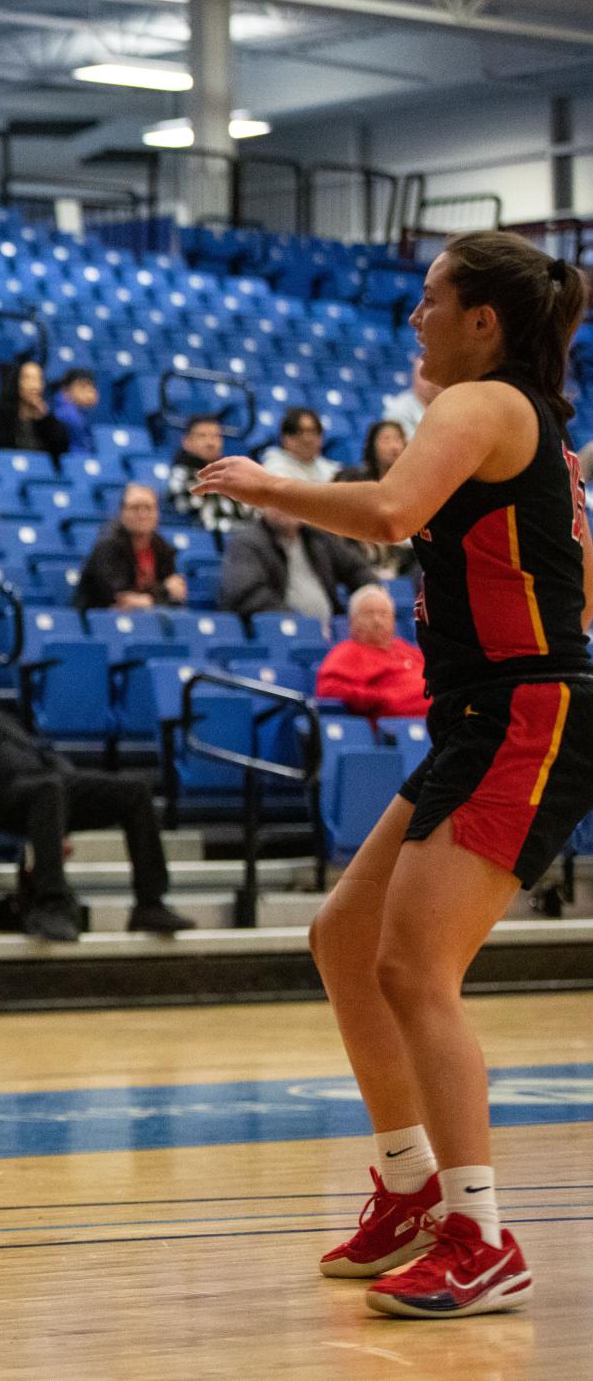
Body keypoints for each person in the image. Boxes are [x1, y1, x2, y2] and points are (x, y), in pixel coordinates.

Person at [194, 231, 591, 1319]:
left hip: (522, 710)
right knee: (343, 940)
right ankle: (414, 1189)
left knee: (414, 966)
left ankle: (480, 1234)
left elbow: (384, 515)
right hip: (488, 709)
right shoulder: (533, 427)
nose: (413, 317)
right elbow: (576, 576)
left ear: (482, 322)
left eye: (431, 300)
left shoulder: (479, 407)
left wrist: (266, 484)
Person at [0, 646, 193, 939]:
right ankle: (51, 905)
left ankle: (150, 904)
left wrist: (66, 796)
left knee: (135, 791)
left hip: (41, 791)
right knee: (48, 790)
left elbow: (35, 749)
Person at [217, 505, 375, 623]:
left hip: (327, 631)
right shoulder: (246, 544)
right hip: (279, 633)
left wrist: (371, 593)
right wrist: (298, 621)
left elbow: (357, 569)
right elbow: (247, 595)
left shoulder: (318, 538)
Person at [315, 585, 429, 719]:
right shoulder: (347, 652)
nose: (377, 621)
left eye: (383, 614)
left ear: (393, 621)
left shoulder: (408, 649)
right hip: (395, 728)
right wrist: (379, 699)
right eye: (369, 614)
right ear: (352, 622)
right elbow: (329, 689)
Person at [75, 483, 186, 611]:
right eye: (135, 508)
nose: (142, 514)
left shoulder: (162, 547)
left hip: (149, 621)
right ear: (122, 513)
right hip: (103, 621)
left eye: (148, 508)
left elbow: (176, 596)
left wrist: (148, 600)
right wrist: (164, 591)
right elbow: (120, 597)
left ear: (157, 514)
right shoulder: (107, 546)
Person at [338, 421, 416, 578]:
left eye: (398, 439)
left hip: (405, 554)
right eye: (386, 440)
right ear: (372, 445)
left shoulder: (415, 484)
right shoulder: (354, 479)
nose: (394, 446)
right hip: (363, 549)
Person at [167, 413, 252, 534]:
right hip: (208, 542)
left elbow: (251, 511)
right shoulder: (181, 475)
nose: (210, 443)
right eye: (202, 436)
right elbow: (202, 520)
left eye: (215, 436)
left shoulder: (233, 474)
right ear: (186, 442)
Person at [0, 359, 70, 466]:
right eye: (28, 379)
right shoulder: (0, 411)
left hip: (38, 472)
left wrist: (46, 420)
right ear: (16, 382)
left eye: (38, 379)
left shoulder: (47, 418)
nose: (34, 386)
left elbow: (61, 452)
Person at [260, 406, 340, 484]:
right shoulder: (273, 467)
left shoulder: (331, 470)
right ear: (285, 437)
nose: (307, 439)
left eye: (313, 432)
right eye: (299, 432)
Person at [381, 355, 442, 439]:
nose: (432, 383)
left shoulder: (451, 404)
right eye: (425, 377)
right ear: (414, 379)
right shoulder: (398, 409)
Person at [51, 368, 100, 458]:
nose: (90, 391)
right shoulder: (65, 414)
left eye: (92, 386)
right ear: (66, 390)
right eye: (83, 386)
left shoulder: (81, 413)